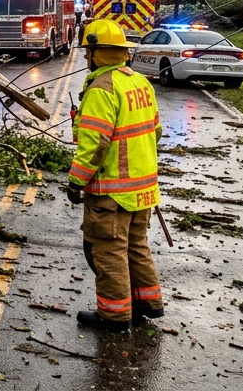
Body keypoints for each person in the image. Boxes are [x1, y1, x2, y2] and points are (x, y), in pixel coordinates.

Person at [67, 18, 164, 331]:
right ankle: (148, 303)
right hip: (143, 187)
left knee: (107, 250)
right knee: (136, 246)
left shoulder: (101, 89)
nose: (84, 57)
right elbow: (156, 130)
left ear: (96, 53)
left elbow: (94, 146)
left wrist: (76, 181)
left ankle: (114, 314)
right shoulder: (140, 82)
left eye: (87, 52)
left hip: (112, 191)